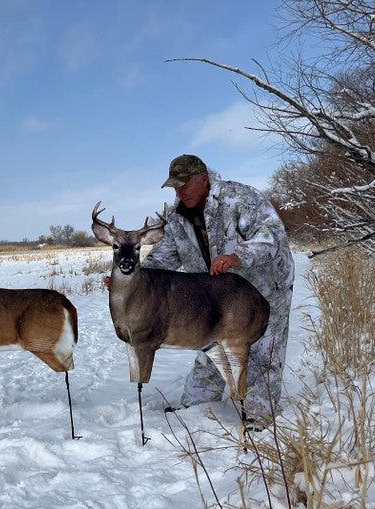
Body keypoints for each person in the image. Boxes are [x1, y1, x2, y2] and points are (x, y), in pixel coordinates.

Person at [109, 154, 294, 425]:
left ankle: (257, 414)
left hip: (265, 284)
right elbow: (164, 257)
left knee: (261, 351)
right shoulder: (177, 217)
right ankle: (197, 407)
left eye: (185, 184)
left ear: (204, 178)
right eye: (175, 186)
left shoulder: (239, 198)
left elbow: (272, 236)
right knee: (210, 343)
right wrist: (131, 280)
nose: (180, 191)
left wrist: (238, 255)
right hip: (216, 294)